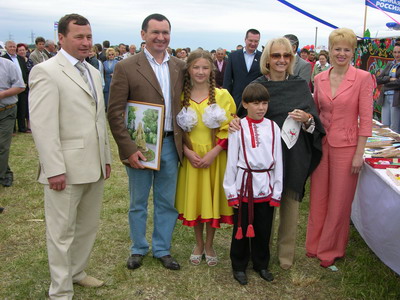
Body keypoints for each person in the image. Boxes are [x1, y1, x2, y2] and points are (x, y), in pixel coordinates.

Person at [29, 13, 112, 299]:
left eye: (89, 36)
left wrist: (106, 157)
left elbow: (98, 118)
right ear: (61, 38)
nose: (86, 42)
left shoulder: (94, 71)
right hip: (65, 167)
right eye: (79, 37)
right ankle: (61, 289)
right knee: (61, 233)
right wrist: (54, 169)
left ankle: (77, 272)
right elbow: (42, 126)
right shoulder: (46, 71)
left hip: (94, 165)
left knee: (87, 226)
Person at [232, 37, 324, 270]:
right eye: (276, 56)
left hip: (293, 156)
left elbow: (315, 123)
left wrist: (308, 119)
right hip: (263, 160)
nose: (281, 60)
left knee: (290, 210)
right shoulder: (258, 85)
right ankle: (260, 255)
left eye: (286, 56)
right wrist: (234, 123)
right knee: (262, 210)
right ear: (268, 59)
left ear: (291, 59)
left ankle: (285, 257)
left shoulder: (300, 85)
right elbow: (244, 116)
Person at [108, 13, 186, 271]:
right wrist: (128, 149)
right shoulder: (127, 67)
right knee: (138, 202)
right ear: (143, 35)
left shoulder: (179, 66)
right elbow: (115, 112)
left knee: (167, 201)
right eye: (155, 32)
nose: (161, 37)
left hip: (170, 146)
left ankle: (162, 248)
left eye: (165, 32)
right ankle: (138, 248)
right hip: (140, 147)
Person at [306, 28, 374, 268]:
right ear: (330, 50)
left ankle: (331, 250)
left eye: (347, 49)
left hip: (347, 148)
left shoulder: (363, 78)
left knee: (339, 201)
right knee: (319, 197)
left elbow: (366, 119)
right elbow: (315, 112)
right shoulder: (319, 78)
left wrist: (359, 153)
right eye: (337, 49)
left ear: (353, 52)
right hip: (322, 145)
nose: (341, 53)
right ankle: (314, 245)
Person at [175, 50, 236, 267]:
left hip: (214, 156)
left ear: (212, 70)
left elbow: (230, 127)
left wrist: (214, 152)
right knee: (196, 200)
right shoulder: (180, 96)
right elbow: (174, 130)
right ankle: (198, 243)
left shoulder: (222, 96)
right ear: (188, 69)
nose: (200, 72)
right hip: (191, 156)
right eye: (196, 67)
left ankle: (210, 244)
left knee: (211, 200)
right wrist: (187, 152)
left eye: (205, 68)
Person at [224, 83, 283, 285]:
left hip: (265, 185)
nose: (261, 108)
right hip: (244, 184)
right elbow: (232, 160)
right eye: (256, 103)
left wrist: (277, 189)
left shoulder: (274, 127)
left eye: (264, 103)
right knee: (241, 227)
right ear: (245, 104)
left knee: (263, 227)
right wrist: (231, 191)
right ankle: (239, 265)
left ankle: (261, 264)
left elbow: (278, 161)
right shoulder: (237, 127)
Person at [0, 57, 25, 188]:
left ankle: (3, 176)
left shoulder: (8, 65)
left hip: (6, 111)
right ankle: (6, 172)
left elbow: (20, 86)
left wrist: (2, 94)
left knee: (3, 145)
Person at [223, 29, 262, 107]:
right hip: (236, 100)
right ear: (245, 40)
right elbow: (227, 80)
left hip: (256, 101)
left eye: (256, 41)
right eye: (250, 40)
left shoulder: (262, 57)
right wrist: (226, 99)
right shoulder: (233, 56)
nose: (253, 44)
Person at [2, 40, 30, 133]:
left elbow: (25, 71)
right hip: (11, 88)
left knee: (22, 108)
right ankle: (12, 129)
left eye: (14, 47)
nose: (13, 48)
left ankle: (22, 128)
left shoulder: (20, 58)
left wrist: (25, 82)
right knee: (12, 107)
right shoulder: (4, 59)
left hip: (22, 86)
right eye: (10, 47)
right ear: (6, 48)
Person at [376, 42, 400, 133]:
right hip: (385, 97)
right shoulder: (390, 64)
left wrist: (385, 83)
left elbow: (398, 83)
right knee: (385, 125)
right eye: (395, 52)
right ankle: (387, 145)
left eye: (399, 52)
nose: (396, 55)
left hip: (396, 98)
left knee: (394, 126)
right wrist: (390, 79)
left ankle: (396, 146)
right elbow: (378, 79)